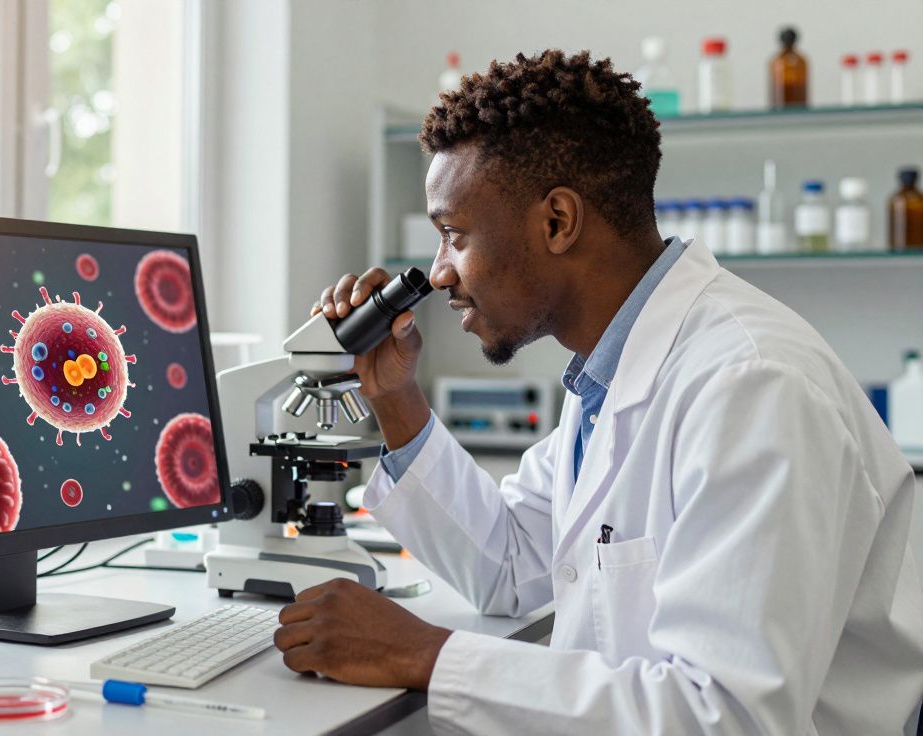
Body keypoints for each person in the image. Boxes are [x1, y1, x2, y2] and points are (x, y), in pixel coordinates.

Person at [274, 49, 923, 734]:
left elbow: (724, 717)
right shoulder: (609, 376)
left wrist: (426, 654)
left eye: (454, 235)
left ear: (557, 221)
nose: (439, 274)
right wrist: (395, 396)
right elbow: (510, 565)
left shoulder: (753, 386)